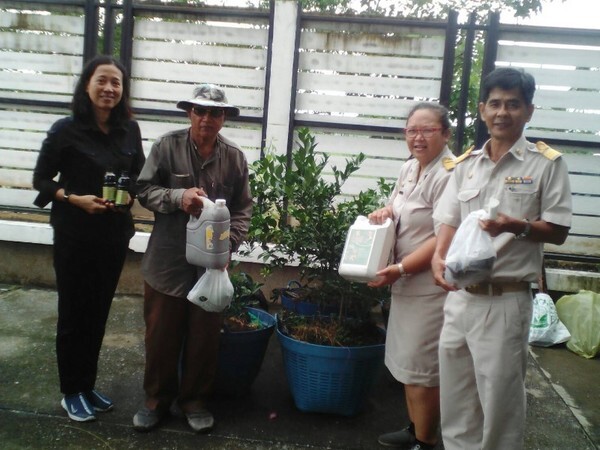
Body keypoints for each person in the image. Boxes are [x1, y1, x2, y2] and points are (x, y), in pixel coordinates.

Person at [431, 67, 572, 450]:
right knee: (457, 400)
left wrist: (518, 226)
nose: (502, 112)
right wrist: (438, 257)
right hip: (460, 298)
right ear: (481, 109)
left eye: (513, 104)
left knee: (499, 404)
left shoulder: (546, 164)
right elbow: (447, 219)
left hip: (506, 299)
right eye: (494, 103)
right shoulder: (466, 165)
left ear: (528, 111)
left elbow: (558, 230)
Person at [132, 84, 252, 433]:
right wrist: (177, 196)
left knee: (204, 338)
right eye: (200, 111)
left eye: (215, 113)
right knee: (160, 338)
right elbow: (143, 189)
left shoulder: (234, 157)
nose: (207, 119)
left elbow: (244, 208)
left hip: (210, 267)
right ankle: (156, 401)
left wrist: (229, 246)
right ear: (189, 113)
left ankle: (195, 401)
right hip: (167, 263)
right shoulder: (166, 146)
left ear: (224, 117)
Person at [32, 55, 146, 422]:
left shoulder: (130, 130)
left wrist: (130, 196)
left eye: (116, 82)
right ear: (87, 85)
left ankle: (87, 384)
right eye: (102, 81)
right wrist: (72, 198)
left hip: (112, 236)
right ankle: (71, 391)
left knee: (98, 313)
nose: (109, 88)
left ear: (123, 90)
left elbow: (139, 176)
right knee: (73, 314)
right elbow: (41, 181)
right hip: (74, 235)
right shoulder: (65, 129)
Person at [368, 103, 455, 450]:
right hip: (403, 284)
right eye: (411, 130)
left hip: (429, 288)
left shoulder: (450, 173)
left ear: (446, 134)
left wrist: (401, 268)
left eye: (427, 130)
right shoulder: (409, 169)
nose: (417, 137)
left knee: (422, 370)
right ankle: (414, 429)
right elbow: (400, 210)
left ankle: (426, 441)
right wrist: (385, 211)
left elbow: (442, 236)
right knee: (407, 363)